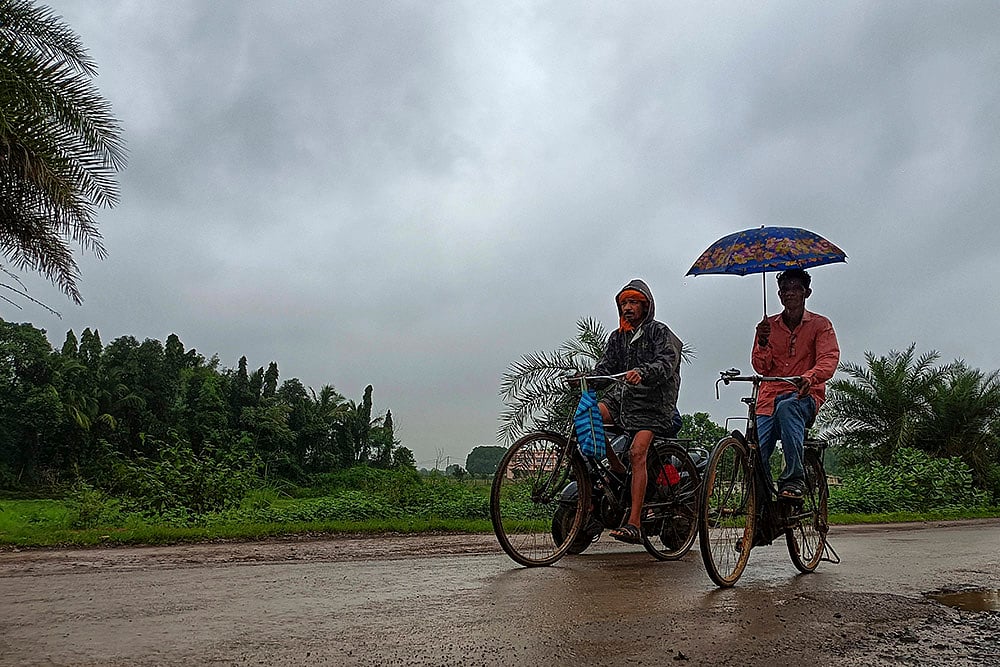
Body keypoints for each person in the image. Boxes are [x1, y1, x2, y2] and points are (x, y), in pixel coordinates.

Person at [591, 279, 683, 544]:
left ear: (646, 306)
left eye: (633, 303)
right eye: (623, 304)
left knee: (637, 452)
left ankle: (634, 523)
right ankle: (616, 467)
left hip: (653, 403)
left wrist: (643, 373)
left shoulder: (659, 333)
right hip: (623, 398)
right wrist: (585, 378)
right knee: (590, 418)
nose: (627, 308)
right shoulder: (618, 337)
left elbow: (667, 363)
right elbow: (605, 369)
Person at [752, 268, 840, 499]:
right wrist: (762, 341)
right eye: (784, 289)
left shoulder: (820, 325)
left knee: (787, 406)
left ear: (806, 293)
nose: (789, 293)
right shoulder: (768, 326)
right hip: (768, 398)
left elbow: (829, 359)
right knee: (755, 452)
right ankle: (760, 510)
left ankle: (793, 479)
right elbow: (761, 367)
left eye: (795, 289)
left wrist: (809, 377)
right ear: (779, 295)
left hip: (803, 395)